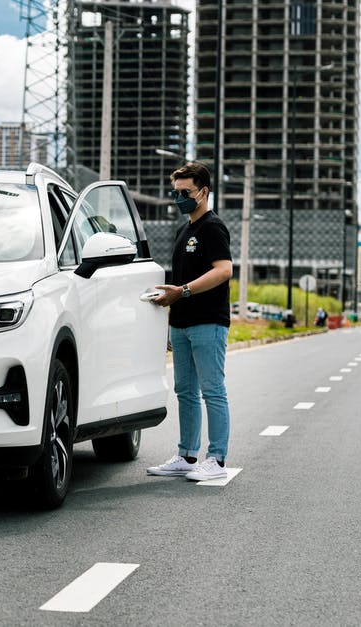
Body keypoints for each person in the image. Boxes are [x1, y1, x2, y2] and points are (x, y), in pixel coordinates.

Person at [147, 162, 233, 482]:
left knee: (212, 390)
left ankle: (217, 458)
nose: (180, 197)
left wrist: (182, 292)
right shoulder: (184, 230)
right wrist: (171, 319)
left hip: (208, 322)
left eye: (186, 192)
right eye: (176, 192)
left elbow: (224, 270)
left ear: (203, 192)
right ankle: (187, 454)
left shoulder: (212, 227)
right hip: (182, 324)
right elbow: (178, 281)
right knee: (185, 390)